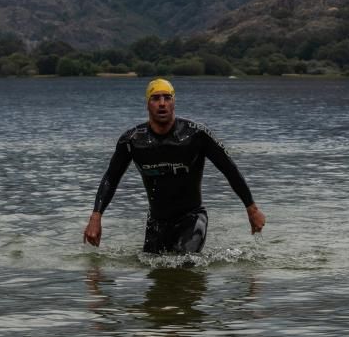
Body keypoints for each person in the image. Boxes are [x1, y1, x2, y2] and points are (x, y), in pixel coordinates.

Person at [83, 78, 266, 253]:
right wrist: (96, 216)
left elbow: (229, 169)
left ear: (173, 102)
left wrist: (252, 208)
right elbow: (111, 178)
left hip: (192, 217)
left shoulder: (196, 135)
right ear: (148, 104)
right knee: (153, 271)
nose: (162, 103)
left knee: (183, 261)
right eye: (155, 98)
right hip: (156, 222)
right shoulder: (132, 141)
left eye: (167, 98)